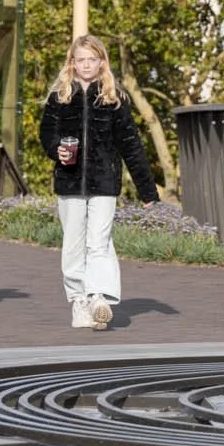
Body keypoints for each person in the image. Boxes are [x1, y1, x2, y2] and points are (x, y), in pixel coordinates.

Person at [39, 34, 159, 331]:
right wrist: (58, 151)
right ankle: (79, 300)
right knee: (73, 244)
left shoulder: (113, 98)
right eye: (81, 60)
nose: (86, 65)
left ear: (102, 62)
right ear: (72, 63)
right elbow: (46, 135)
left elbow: (131, 144)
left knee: (100, 241)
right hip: (69, 182)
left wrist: (147, 190)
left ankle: (99, 297)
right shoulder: (59, 96)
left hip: (104, 180)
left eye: (92, 59)